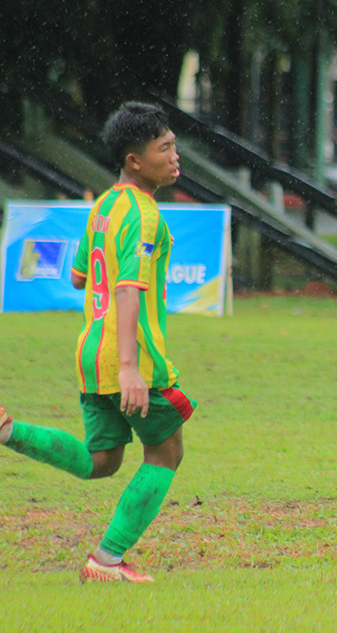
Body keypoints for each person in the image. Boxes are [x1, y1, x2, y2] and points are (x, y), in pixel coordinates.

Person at [0, 102, 194, 583]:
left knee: (102, 460)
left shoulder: (104, 205)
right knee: (166, 453)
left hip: (91, 352)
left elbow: (79, 275)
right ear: (134, 160)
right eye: (164, 148)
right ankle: (107, 560)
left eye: (173, 145)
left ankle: (6, 432)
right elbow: (128, 287)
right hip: (129, 357)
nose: (175, 157)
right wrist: (129, 365)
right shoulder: (145, 215)